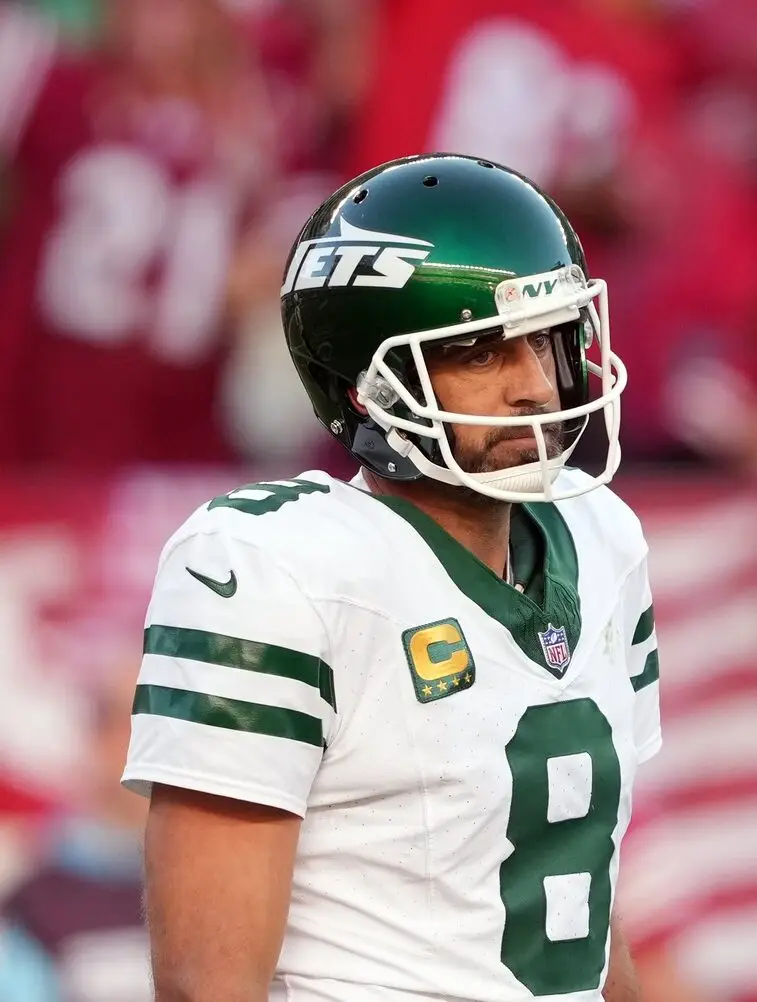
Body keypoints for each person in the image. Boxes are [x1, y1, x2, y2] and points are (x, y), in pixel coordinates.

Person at [122, 153, 661, 1002]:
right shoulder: (277, 566)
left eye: (548, 339)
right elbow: (205, 984)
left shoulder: (603, 538)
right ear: (370, 388)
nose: (532, 388)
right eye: (480, 355)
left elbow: (577, 905)